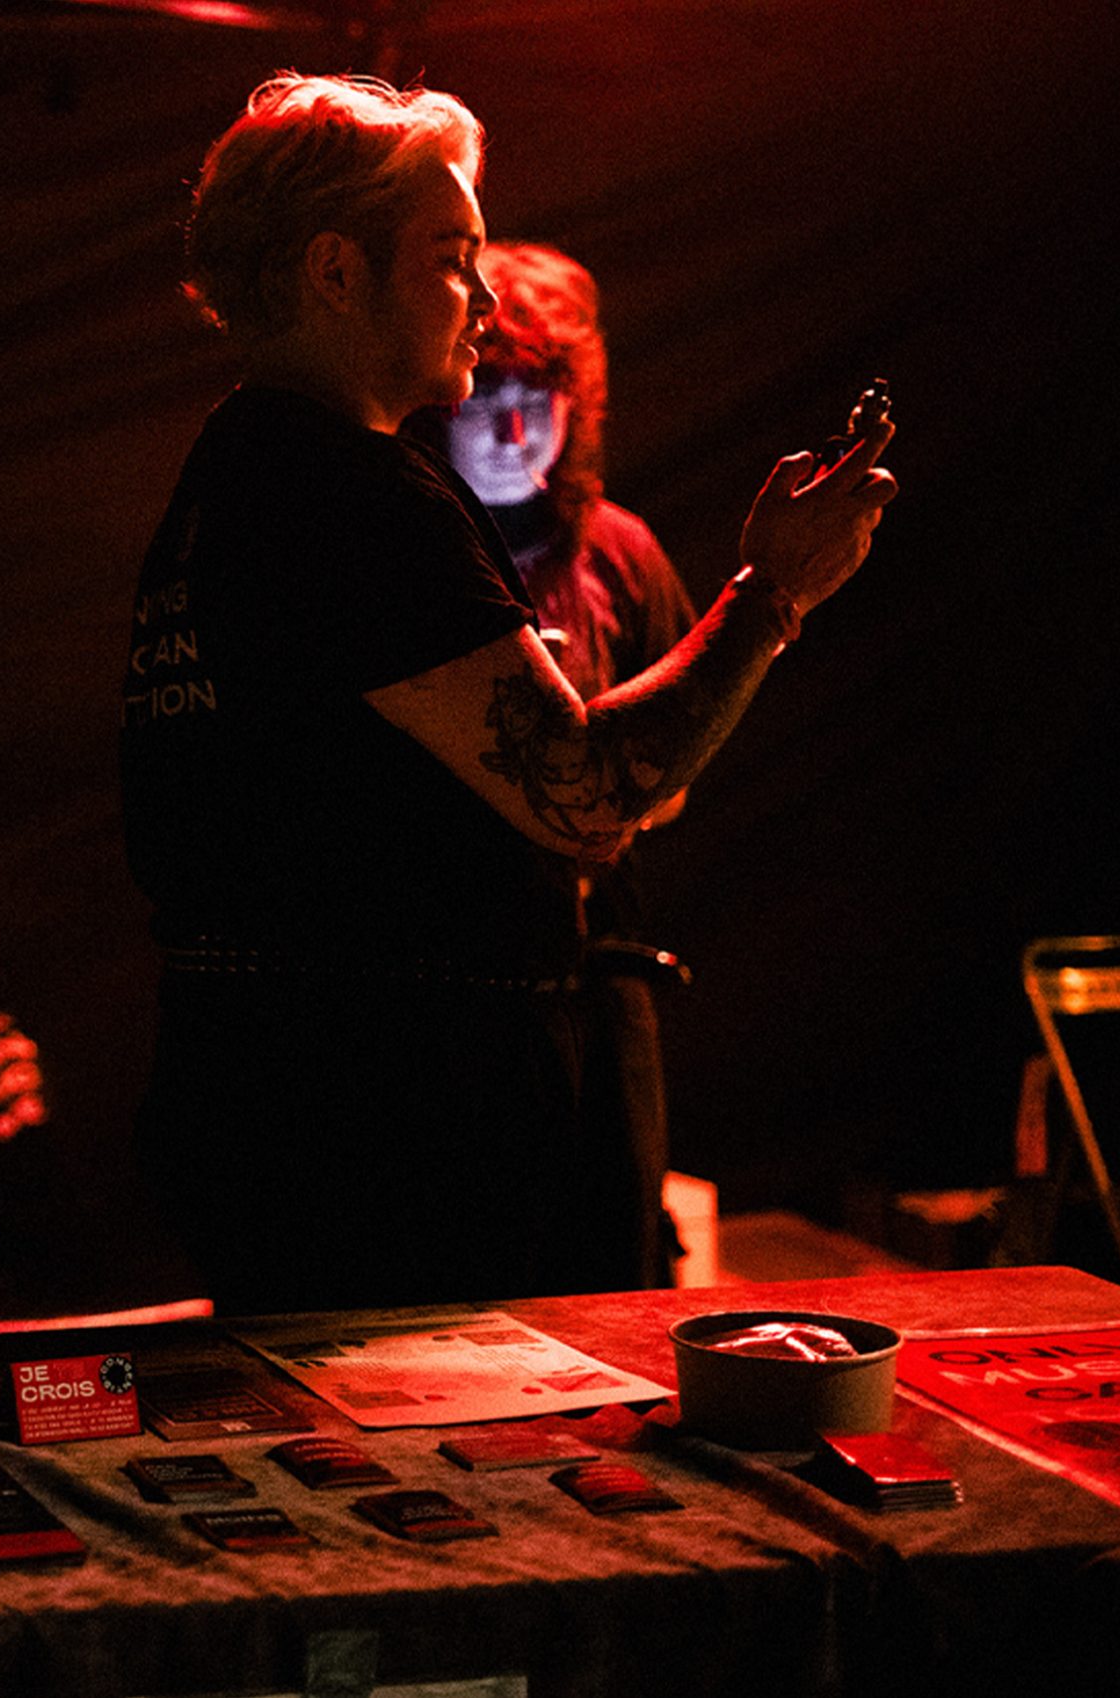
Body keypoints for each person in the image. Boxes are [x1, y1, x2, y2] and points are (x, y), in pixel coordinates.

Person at [118, 74, 894, 1315]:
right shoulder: (349, 496)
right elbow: (583, 795)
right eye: (450, 257)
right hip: (380, 1137)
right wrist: (773, 596)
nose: (484, 300)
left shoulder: (237, 469)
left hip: (289, 1105)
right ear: (332, 270)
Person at [406, 242, 698, 1288]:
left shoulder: (620, 552)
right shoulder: (406, 546)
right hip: (436, 996)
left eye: (541, 401)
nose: (514, 433)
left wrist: (600, 791)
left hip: (595, 972)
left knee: (612, 1273)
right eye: (490, 400)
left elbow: (676, 769)